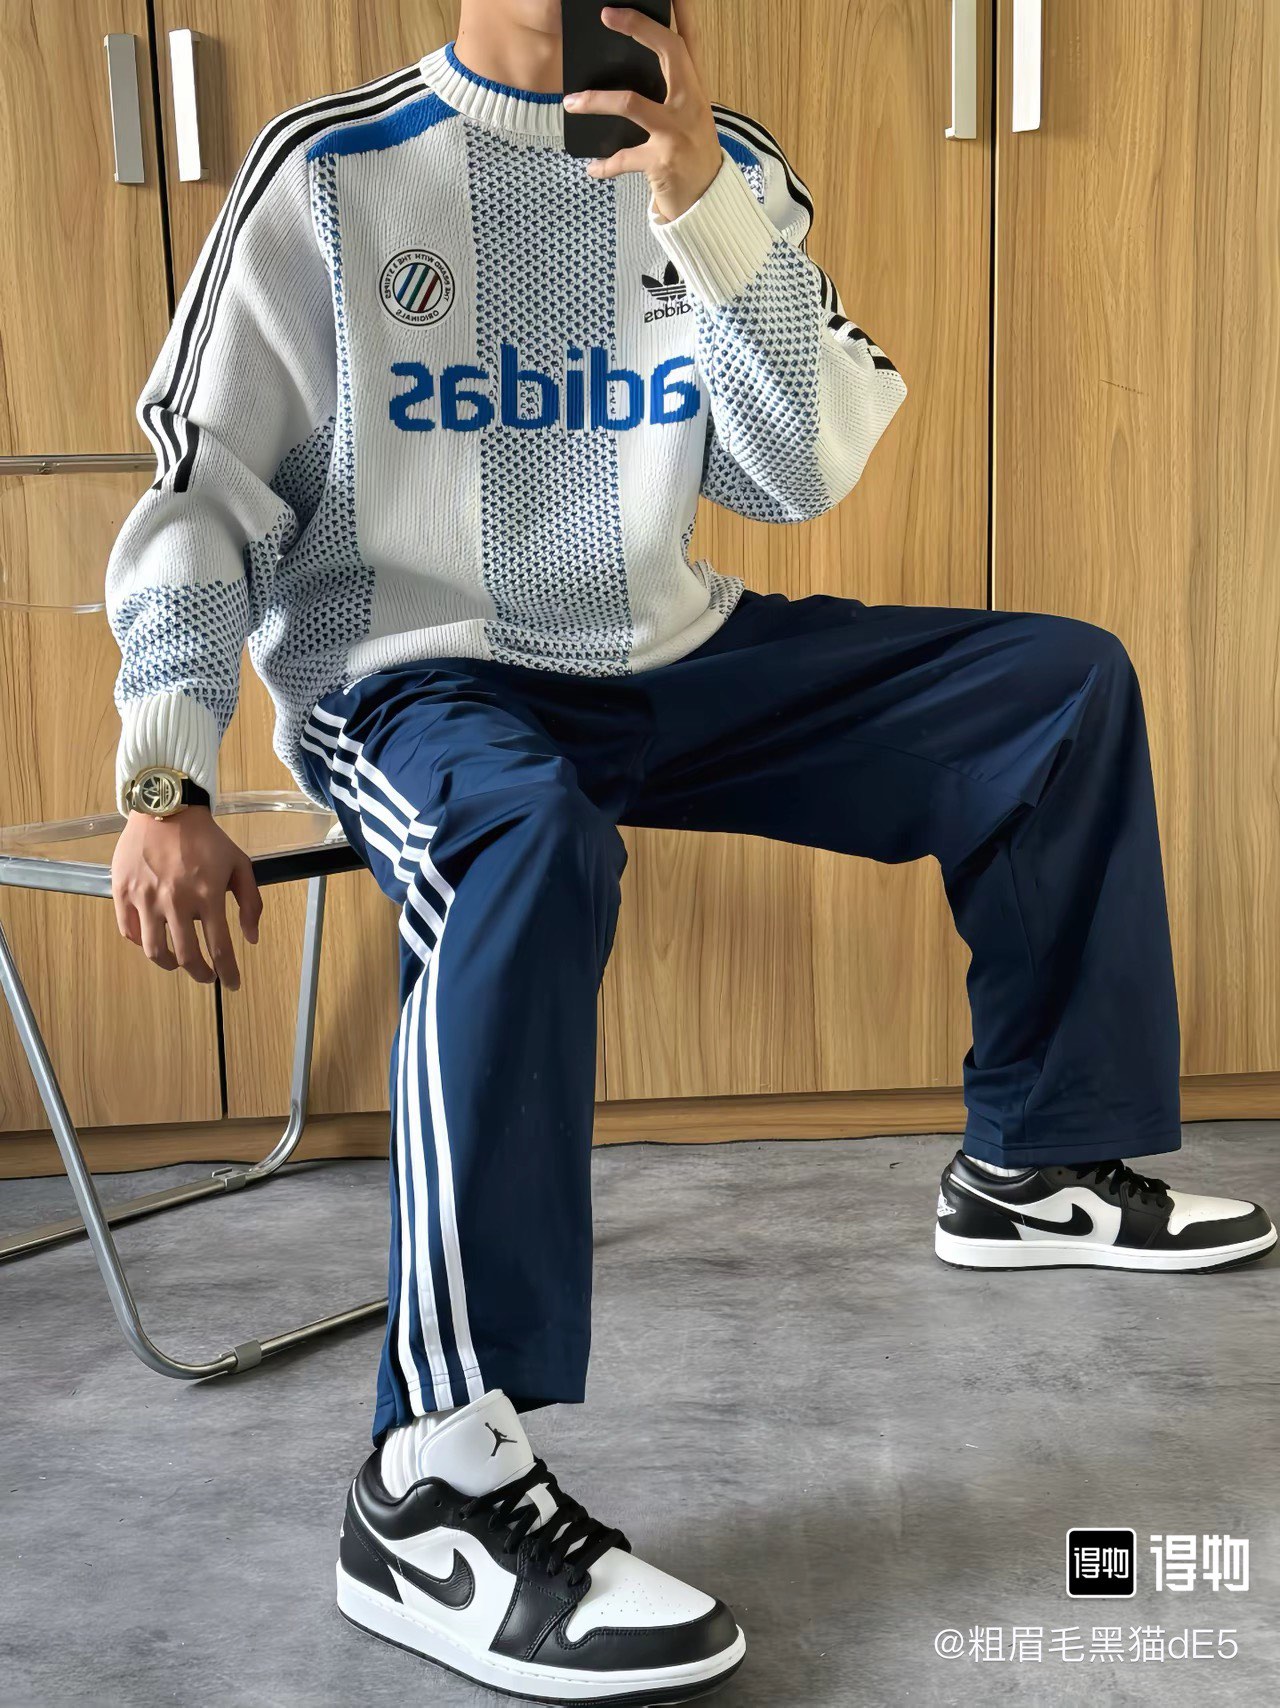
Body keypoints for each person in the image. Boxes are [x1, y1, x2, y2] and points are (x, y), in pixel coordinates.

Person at [105, 1, 1275, 1699]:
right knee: (520, 834)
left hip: (671, 650)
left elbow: (802, 471)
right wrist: (164, 773)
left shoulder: (718, 166)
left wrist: (703, 201)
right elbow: (204, 495)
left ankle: (1036, 1167)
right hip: (419, 673)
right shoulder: (329, 172)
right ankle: (430, 1488)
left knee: (1055, 689)